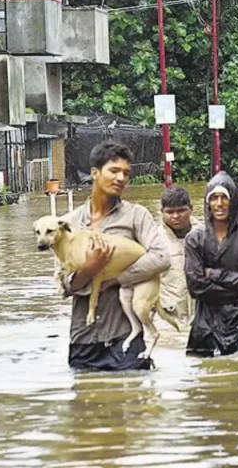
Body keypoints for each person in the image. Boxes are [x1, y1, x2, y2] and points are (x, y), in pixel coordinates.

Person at [58, 141, 171, 371]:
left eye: (126, 173)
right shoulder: (68, 224)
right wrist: (89, 269)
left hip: (124, 336)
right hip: (83, 338)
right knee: (85, 401)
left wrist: (118, 279)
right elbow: (63, 286)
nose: (121, 178)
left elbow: (162, 257)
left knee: (133, 400)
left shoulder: (136, 216)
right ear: (95, 173)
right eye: (114, 171)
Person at [185, 172, 238, 357]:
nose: (219, 203)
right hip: (208, 323)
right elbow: (196, 286)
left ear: (233, 201)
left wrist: (216, 275)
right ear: (207, 203)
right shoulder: (195, 239)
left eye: (224, 197)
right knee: (202, 377)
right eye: (214, 198)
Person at [160, 186, 201, 324]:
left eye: (181, 210)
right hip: (167, 320)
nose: (176, 216)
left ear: (191, 209)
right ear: (162, 212)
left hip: (202, 316)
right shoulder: (152, 240)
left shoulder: (207, 236)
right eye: (170, 212)